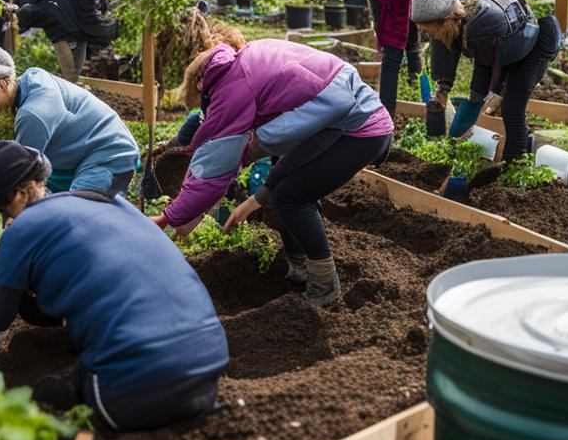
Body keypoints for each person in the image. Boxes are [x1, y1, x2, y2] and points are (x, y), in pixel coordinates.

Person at [0, 141, 229, 430]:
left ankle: (78, 393)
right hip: (208, 365)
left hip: (134, 388)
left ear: (15, 195)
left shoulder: (22, 229)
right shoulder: (110, 202)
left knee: (50, 393)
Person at [148, 38, 393, 306]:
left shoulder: (232, 91)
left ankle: (325, 285)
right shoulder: (249, 60)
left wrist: (167, 218)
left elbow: (214, 172)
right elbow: (283, 157)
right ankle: (300, 270)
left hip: (361, 130)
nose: (206, 110)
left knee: (291, 197)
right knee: (285, 188)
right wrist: (254, 200)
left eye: (202, 103)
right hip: (339, 119)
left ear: (201, 85)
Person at [0, 45, 140, 260]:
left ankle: (113, 268)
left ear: (4, 82)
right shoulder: (32, 78)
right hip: (78, 155)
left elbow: (13, 176)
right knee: (48, 214)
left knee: (76, 224)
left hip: (108, 156)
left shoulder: (33, 114)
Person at [411, 0, 562, 162]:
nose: (429, 36)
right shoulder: (457, 22)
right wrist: (444, 86)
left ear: (446, 21)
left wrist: (497, 92)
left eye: (430, 31)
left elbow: (489, 70)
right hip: (510, 47)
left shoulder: (479, 30)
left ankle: (512, 166)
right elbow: (451, 55)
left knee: (512, 110)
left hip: (535, 47)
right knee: (495, 103)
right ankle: (528, 145)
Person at [11, 0, 118, 82]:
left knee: (73, 61)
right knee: (74, 55)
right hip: (65, 6)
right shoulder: (49, 13)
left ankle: (71, 86)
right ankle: (72, 86)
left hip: (70, 2)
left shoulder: (53, 16)